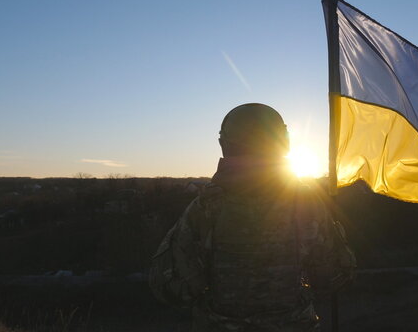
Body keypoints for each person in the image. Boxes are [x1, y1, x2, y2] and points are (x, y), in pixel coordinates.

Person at [149, 103, 356, 331]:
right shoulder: (307, 203)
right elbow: (335, 275)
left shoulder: (206, 207)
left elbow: (169, 287)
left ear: (224, 145)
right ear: (284, 143)